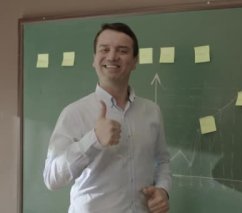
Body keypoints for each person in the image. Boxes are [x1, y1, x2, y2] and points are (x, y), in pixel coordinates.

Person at [43, 22, 171, 213]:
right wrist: (93, 139)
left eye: (122, 50)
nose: (112, 56)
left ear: (135, 60)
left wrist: (163, 190)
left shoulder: (152, 111)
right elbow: (51, 178)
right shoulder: (74, 113)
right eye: (104, 49)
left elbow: (162, 161)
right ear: (94, 59)